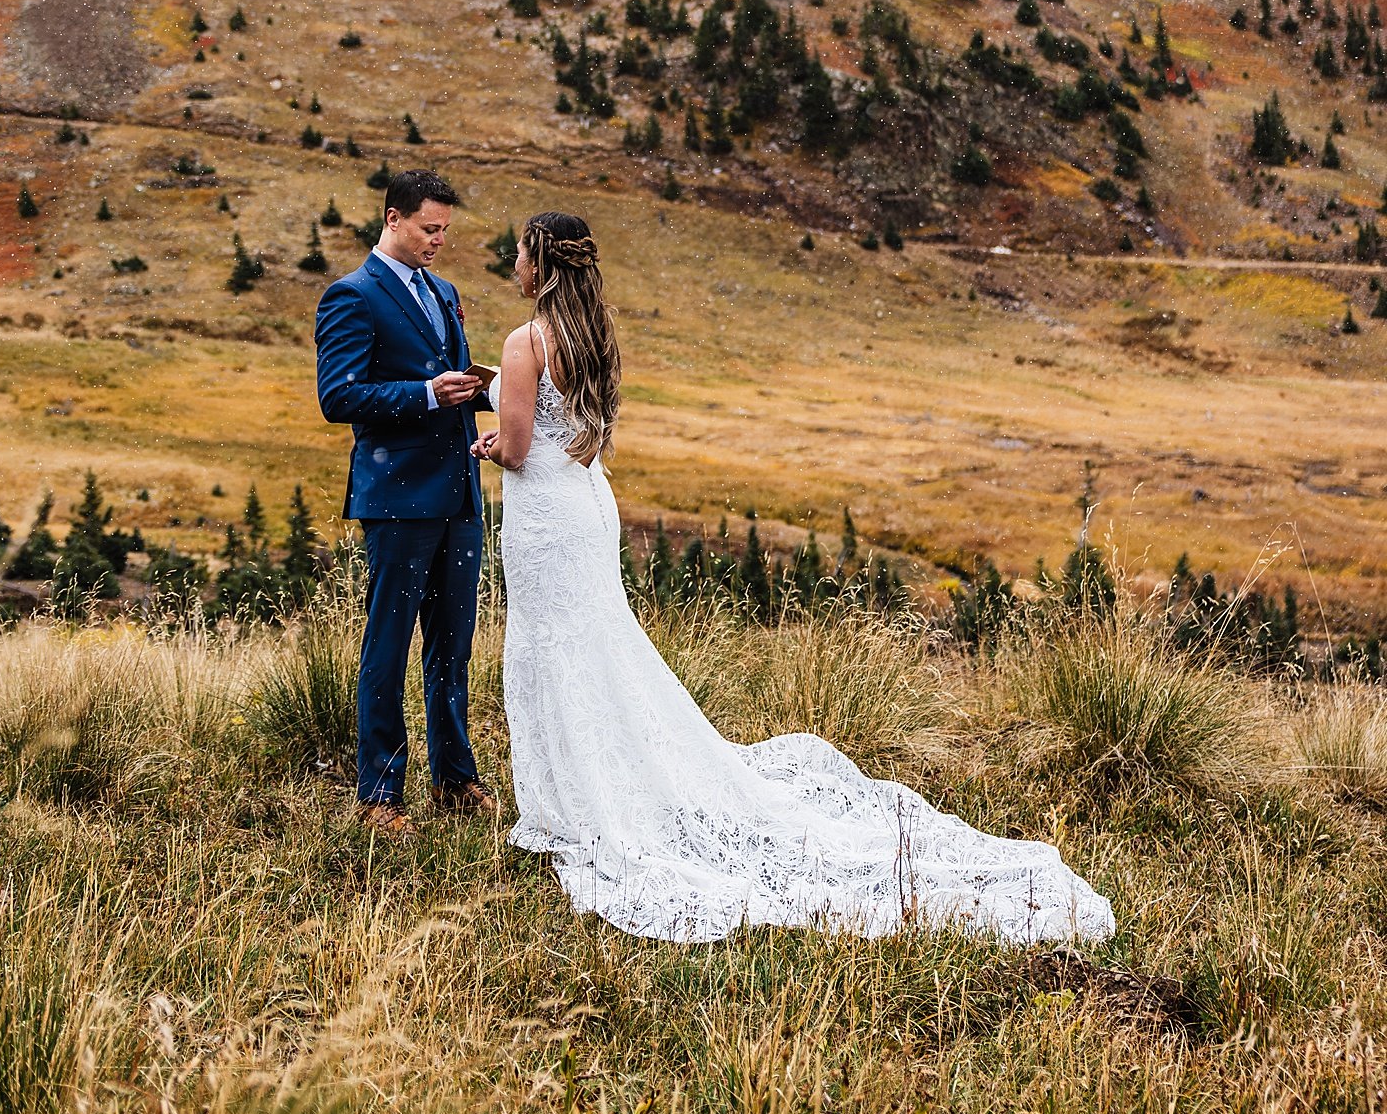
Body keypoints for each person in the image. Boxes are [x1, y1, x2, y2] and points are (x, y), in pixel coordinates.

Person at [474, 210, 1115, 946]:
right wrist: (501, 392)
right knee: (597, 645)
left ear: (541, 265)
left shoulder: (524, 341)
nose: (513, 265)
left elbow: (522, 448)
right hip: (590, 505)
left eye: (519, 254)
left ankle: (572, 807)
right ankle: (599, 788)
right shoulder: (591, 333)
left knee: (554, 649)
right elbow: (562, 416)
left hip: (547, 517)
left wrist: (485, 440)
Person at [315, 168, 495, 835]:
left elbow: (458, 383)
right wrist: (422, 395)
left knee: (453, 646)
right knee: (387, 648)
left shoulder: (445, 293)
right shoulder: (350, 297)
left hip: (459, 496)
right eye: (429, 228)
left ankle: (454, 780)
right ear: (393, 219)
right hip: (395, 499)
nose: (439, 240)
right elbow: (338, 397)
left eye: (445, 229)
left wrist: (508, 392)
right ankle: (379, 795)